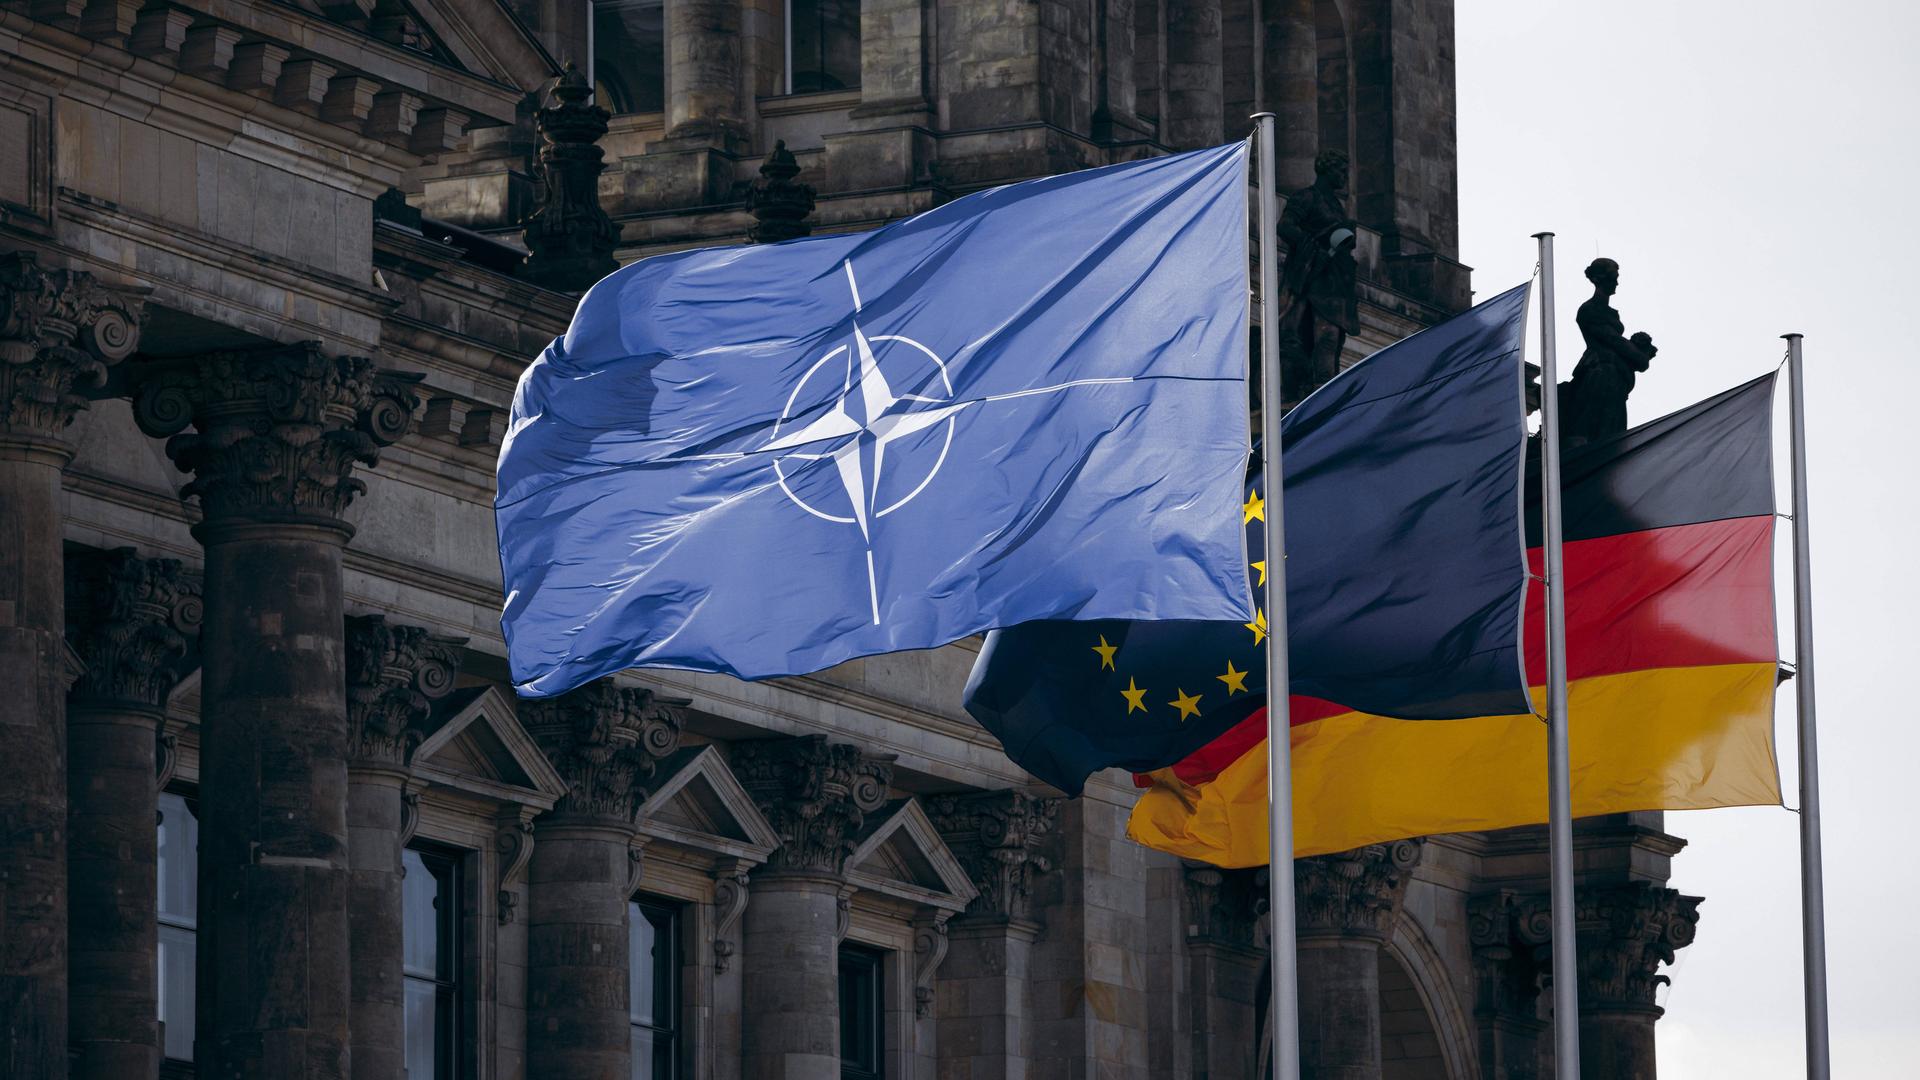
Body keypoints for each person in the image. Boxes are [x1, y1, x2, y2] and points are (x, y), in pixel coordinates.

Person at [1273, 151, 1360, 403]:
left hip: (1332, 282)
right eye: (1341, 171)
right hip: (1311, 277)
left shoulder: (1336, 205)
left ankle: (1325, 388)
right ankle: (1315, 390)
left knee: (1330, 336)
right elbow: (1286, 226)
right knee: (1308, 336)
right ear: (1326, 170)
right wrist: (1315, 247)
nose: (1345, 177)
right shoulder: (1307, 197)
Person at [1561, 258, 1658, 445]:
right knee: (1595, 432)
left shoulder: (1611, 312)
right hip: (1600, 374)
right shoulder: (1589, 309)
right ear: (1600, 278)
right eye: (1614, 276)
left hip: (1615, 377)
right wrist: (1639, 357)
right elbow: (1613, 340)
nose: (1617, 282)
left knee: (1613, 435)